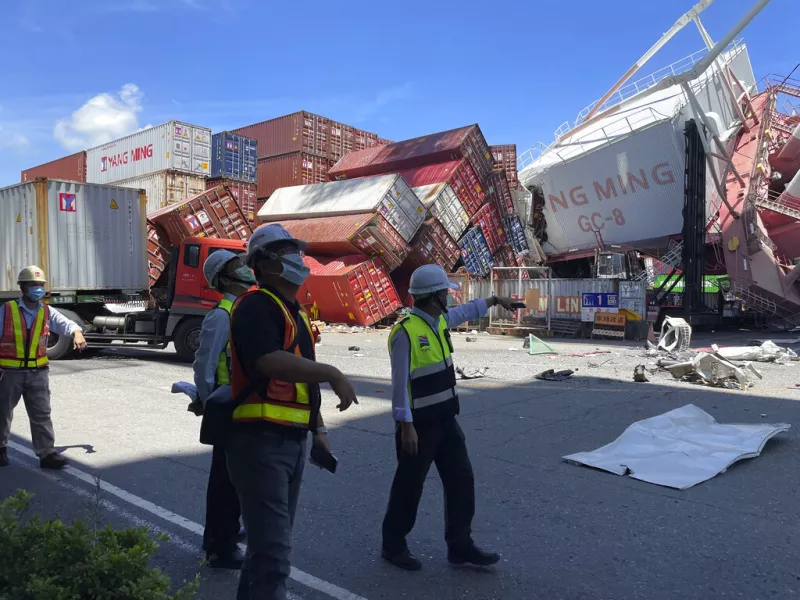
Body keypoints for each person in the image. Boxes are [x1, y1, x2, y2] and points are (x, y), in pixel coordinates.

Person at [227, 224, 358, 600]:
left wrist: (317, 431)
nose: (298, 260)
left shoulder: (293, 312)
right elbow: (268, 362)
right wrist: (332, 372)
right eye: (288, 253)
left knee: (265, 549)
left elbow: (300, 382)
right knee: (273, 556)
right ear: (266, 266)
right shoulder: (255, 305)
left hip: (290, 441)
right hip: (259, 442)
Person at [381, 264, 519, 571]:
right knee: (409, 485)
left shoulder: (438, 321)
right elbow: (399, 383)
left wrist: (495, 300)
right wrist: (406, 426)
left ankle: (460, 546)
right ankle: (393, 544)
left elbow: (466, 311)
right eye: (445, 293)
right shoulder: (405, 332)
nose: (449, 297)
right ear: (433, 297)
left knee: (461, 480)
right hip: (418, 426)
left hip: (445, 421)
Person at [192, 250, 255, 569]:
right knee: (225, 480)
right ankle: (220, 546)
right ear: (225, 277)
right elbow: (204, 362)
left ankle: (225, 533)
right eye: (238, 266)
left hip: (242, 403)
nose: (245, 269)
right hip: (226, 403)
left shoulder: (243, 308)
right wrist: (207, 401)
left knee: (236, 477)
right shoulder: (221, 315)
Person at [0, 266, 87, 469]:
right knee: (2, 412)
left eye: (40, 285)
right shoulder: (7, 310)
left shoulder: (47, 311)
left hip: (37, 373)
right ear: (23, 287)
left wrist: (77, 332)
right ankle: (0, 448)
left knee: (41, 414)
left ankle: (47, 454)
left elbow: (68, 324)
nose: (38, 289)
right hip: (9, 373)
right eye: (33, 285)